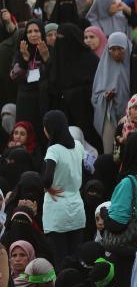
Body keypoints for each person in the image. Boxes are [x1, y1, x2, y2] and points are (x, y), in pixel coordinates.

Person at [42, 110, 86, 266]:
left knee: (60, 260)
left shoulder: (53, 150)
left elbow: (47, 178)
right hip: (76, 207)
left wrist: (48, 187)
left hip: (57, 209)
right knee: (75, 259)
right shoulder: (79, 146)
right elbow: (83, 172)